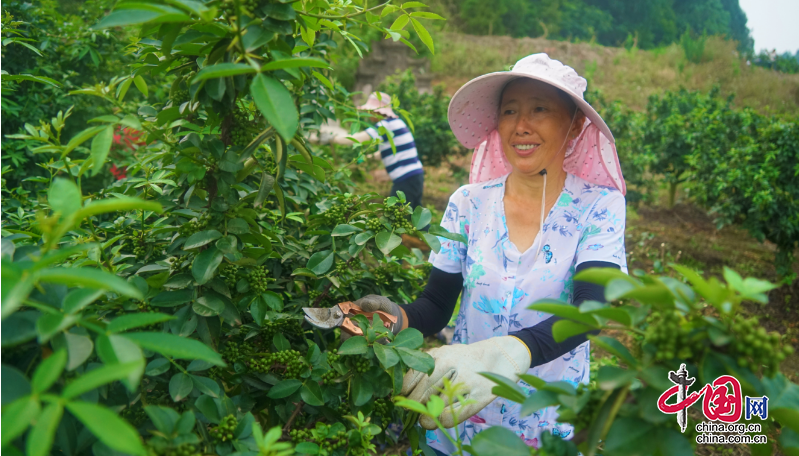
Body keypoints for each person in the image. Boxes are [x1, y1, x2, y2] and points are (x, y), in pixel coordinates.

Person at [352, 54, 628, 453]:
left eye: (539, 109)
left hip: (545, 421)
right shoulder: (469, 203)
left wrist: (511, 351)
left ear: (574, 126)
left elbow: (593, 309)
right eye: (509, 110)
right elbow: (436, 303)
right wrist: (397, 316)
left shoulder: (597, 207)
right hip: (457, 413)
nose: (520, 125)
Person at [319, 92, 426, 209]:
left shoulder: (385, 125)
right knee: (416, 214)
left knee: (394, 217)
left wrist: (332, 139)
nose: (369, 114)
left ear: (378, 111)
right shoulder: (396, 123)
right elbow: (386, 152)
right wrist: (366, 159)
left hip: (406, 178)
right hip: (415, 176)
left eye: (371, 110)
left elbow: (357, 139)